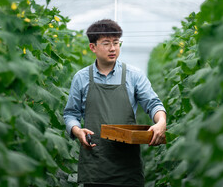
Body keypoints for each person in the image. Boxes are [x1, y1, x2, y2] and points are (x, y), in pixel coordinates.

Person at [63, 19, 167, 187]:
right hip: (95, 165)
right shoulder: (81, 78)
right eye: (106, 43)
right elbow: (71, 113)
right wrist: (77, 131)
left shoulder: (134, 75)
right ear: (93, 47)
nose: (113, 48)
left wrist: (161, 122)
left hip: (127, 167)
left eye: (116, 43)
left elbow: (153, 103)